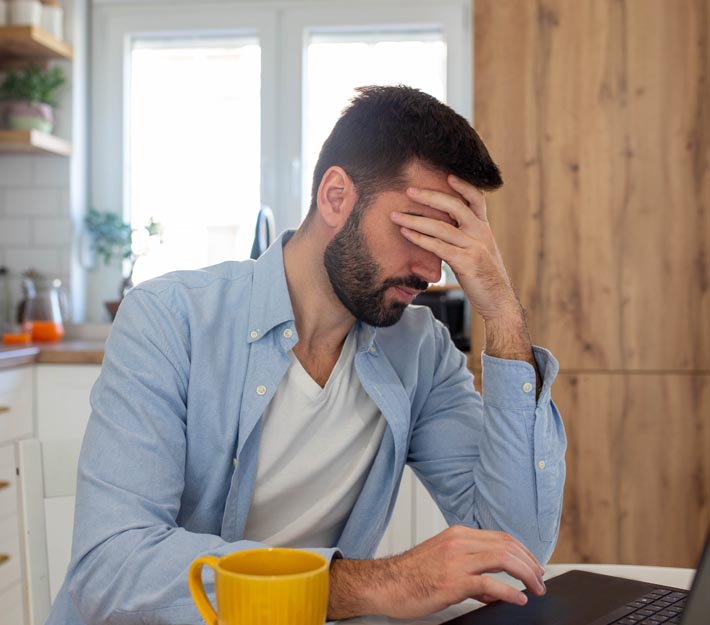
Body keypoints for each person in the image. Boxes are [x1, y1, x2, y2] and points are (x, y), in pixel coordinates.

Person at [47, 85, 566, 625]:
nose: (432, 272)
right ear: (336, 197)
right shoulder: (169, 318)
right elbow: (111, 567)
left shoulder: (419, 350)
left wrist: (502, 311)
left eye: (448, 241)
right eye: (419, 230)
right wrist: (378, 584)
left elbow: (513, 551)